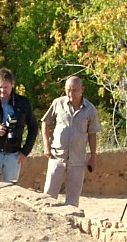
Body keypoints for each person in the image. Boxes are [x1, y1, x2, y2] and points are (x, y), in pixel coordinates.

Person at [41, 75, 101, 206]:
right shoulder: (58, 103)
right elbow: (45, 123)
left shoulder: (90, 109)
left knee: (73, 199)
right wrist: (46, 146)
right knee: (49, 195)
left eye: (74, 90)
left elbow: (92, 134)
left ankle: (70, 223)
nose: (71, 93)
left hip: (78, 159)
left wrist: (93, 157)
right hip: (57, 156)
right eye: (68, 89)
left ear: (82, 89)